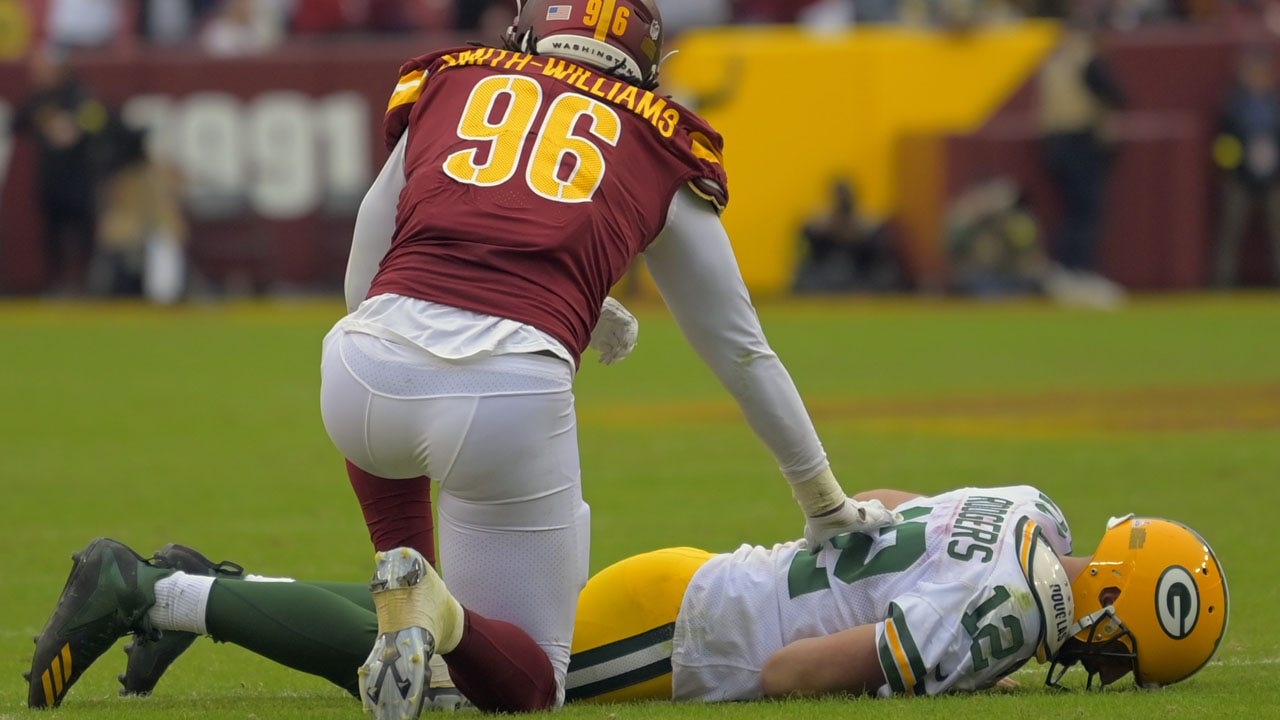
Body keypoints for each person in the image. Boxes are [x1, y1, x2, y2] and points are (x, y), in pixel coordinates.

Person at [317, 1, 882, 717]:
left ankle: (409, 595)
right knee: (532, 682)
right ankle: (438, 612)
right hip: (504, 391)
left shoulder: (452, 79)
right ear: (648, 66)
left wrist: (570, 306)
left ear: (530, 32)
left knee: (385, 390)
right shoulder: (659, 137)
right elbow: (742, 351)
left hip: (361, 374)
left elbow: (365, 277)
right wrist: (823, 502)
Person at [25, 485, 1230, 710]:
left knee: (450, 634)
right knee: (447, 689)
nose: (1102, 665)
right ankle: (154, 591)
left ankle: (192, 584)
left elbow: (879, 496)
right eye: (1121, 652)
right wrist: (965, 670)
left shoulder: (1027, 512)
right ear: (1120, 602)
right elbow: (790, 675)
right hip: (700, 630)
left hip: (705, 581)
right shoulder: (1018, 607)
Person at [1036, 10, 1127, 286]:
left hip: (1054, 143)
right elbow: (1119, 95)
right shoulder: (1086, 61)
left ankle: (1065, 270)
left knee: (1073, 211)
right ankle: (1079, 271)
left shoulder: (1053, 62)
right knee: (1086, 212)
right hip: (1080, 142)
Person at [1211, 43, 1280, 288]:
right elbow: (1224, 143)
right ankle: (1222, 283)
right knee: (1231, 232)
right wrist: (1234, 170)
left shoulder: (1274, 103)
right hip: (1240, 178)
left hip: (1273, 178)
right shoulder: (1233, 104)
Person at [792, 178, 901, 294]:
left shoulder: (866, 223)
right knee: (806, 280)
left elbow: (879, 257)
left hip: (860, 273)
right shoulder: (820, 222)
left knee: (885, 278)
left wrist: (856, 236)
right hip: (826, 272)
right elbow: (806, 252)